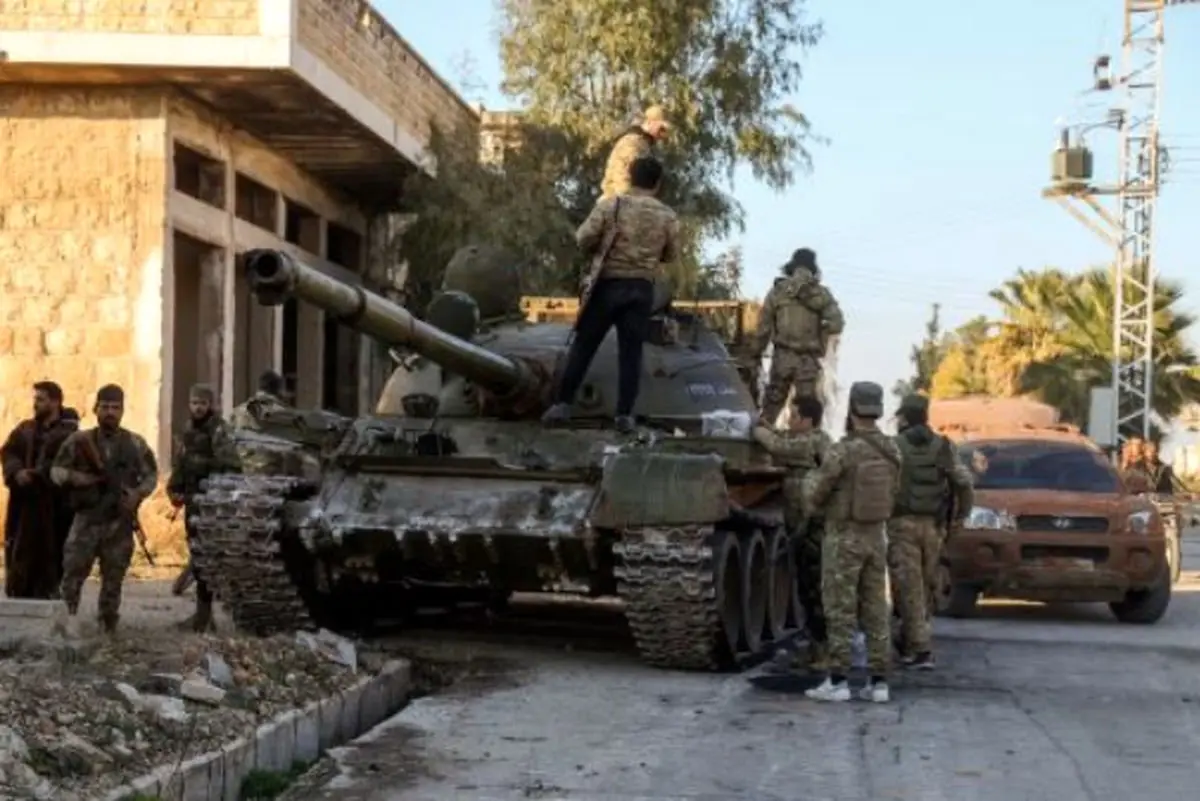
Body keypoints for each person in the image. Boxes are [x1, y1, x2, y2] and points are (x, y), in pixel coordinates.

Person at [542, 156, 680, 433]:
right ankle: (624, 415)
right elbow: (671, 255)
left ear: (630, 176)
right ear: (657, 183)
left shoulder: (611, 205)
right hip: (642, 288)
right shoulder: (668, 216)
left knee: (585, 345)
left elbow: (583, 238)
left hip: (607, 284)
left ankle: (563, 405)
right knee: (631, 353)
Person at [801, 381, 901, 703]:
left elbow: (814, 494)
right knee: (875, 608)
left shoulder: (842, 451)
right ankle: (879, 682)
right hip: (876, 536)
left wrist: (807, 481)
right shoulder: (892, 450)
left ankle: (838, 680)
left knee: (840, 608)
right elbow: (895, 492)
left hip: (843, 538)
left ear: (853, 408)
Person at [50, 385, 158, 634]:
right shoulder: (79, 441)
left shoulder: (135, 444)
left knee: (113, 581)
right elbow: (56, 472)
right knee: (72, 577)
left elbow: (151, 475)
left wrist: (137, 494)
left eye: (115, 408)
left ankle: (107, 630)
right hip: (86, 519)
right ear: (96, 409)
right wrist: (78, 479)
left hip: (118, 523)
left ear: (122, 411)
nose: (110, 412)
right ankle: (65, 625)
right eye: (105, 407)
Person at [889, 394, 974, 670]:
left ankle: (921, 649)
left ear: (904, 417)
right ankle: (911, 642)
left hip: (902, 526)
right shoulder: (943, 446)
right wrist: (960, 516)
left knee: (909, 588)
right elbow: (964, 483)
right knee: (925, 587)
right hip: (934, 528)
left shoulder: (895, 446)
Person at [753, 395, 833, 671]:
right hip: (801, 529)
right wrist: (768, 427)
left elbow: (779, 446)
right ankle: (815, 648)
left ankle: (826, 650)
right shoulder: (806, 440)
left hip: (812, 531)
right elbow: (784, 438)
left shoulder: (815, 442)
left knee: (816, 592)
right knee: (805, 592)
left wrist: (756, 429)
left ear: (808, 420)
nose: (790, 420)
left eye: (794, 416)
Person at [166, 384, 241, 631]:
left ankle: (206, 616)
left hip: (211, 502)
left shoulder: (219, 429)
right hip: (193, 500)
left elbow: (232, 464)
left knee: (208, 558)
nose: (198, 408)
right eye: (194, 403)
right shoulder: (189, 428)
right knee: (198, 555)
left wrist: (203, 467)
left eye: (203, 403)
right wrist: (174, 487)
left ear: (211, 405)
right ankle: (203, 616)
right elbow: (181, 461)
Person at [1, 382, 79, 598]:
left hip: (55, 506)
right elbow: (9, 452)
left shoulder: (70, 434)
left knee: (53, 550)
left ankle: (50, 592)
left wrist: (36, 475)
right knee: (20, 549)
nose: (35, 404)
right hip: (23, 505)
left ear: (55, 402)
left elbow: (66, 463)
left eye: (40, 399)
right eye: (35, 399)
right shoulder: (25, 429)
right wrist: (16, 472)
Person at [750, 249, 844, 425]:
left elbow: (763, 329)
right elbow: (837, 324)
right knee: (808, 412)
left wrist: (754, 354)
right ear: (813, 268)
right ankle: (807, 442)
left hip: (782, 358)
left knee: (770, 410)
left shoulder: (778, 292)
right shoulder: (821, 294)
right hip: (808, 360)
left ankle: (763, 440)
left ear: (791, 266)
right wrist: (821, 334)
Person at [600, 106, 670, 199]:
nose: (663, 135)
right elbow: (622, 176)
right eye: (661, 129)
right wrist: (631, 201)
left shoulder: (643, 144)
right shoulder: (633, 142)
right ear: (650, 122)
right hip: (617, 200)